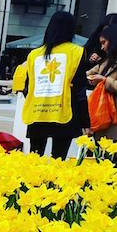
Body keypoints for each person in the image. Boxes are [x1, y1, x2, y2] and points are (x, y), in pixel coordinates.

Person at [21, 11, 89, 159]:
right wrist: (85, 121)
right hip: (64, 112)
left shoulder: (34, 55)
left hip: (37, 113)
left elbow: (28, 88)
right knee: (58, 160)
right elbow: (79, 90)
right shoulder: (77, 52)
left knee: (34, 161)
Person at [86, 23, 117, 140]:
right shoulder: (106, 61)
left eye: (104, 43)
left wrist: (104, 80)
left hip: (113, 122)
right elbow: (88, 74)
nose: (102, 47)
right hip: (102, 121)